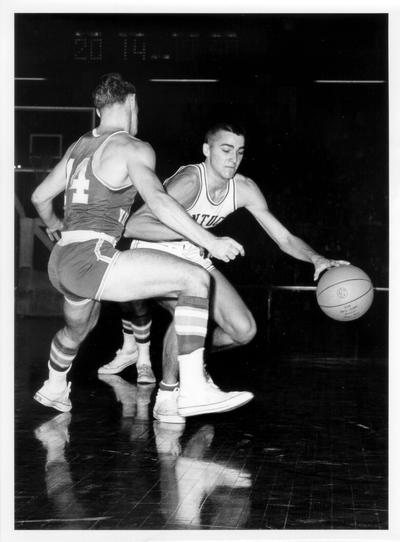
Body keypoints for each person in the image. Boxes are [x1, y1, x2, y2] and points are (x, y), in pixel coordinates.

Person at [31, 74, 253, 417]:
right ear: (131, 103)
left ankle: (54, 386)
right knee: (195, 278)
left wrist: (55, 226)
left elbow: (40, 196)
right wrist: (210, 240)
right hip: (93, 257)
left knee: (79, 329)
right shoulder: (133, 147)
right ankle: (193, 390)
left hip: (63, 260)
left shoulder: (79, 147)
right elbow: (161, 202)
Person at [98, 122, 349, 423]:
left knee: (242, 330)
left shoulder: (244, 189)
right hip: (153, 252)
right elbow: (134, 225)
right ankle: (168, 395)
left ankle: (192, 362)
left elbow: (283, 238)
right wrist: (202, 237)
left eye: (239, 152)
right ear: (207, 150)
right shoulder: (191, 180)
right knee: (189, 309)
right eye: (225, 149)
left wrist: (316, 259)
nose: (233, 158)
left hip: (195, 254)